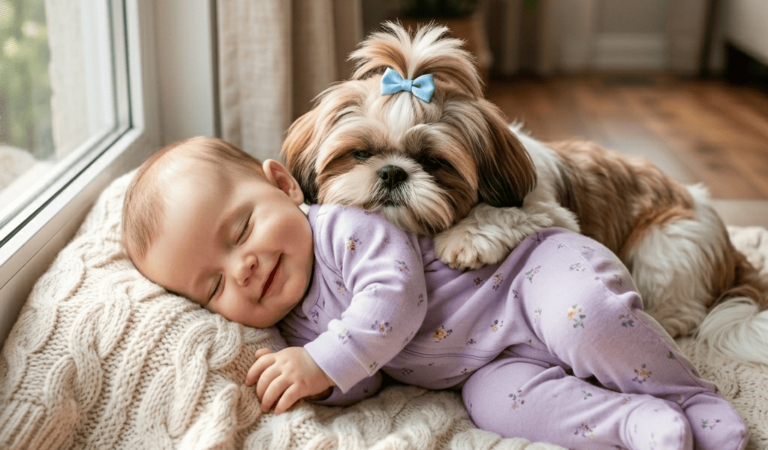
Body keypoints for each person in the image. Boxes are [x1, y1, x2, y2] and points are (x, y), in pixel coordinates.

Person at [122, 136, 748, 450]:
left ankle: (687, 396)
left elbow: (395, 299)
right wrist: (325, 382)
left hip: (531, 280)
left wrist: (323, 363)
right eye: (212, 286)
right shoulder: (293, 329)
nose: (245, 268)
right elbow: (369, 374)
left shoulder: (343, 226)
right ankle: (636, 420)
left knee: (588, 322)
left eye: (241, 230)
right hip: (489, 362)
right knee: (497, 407)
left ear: (286, 186)